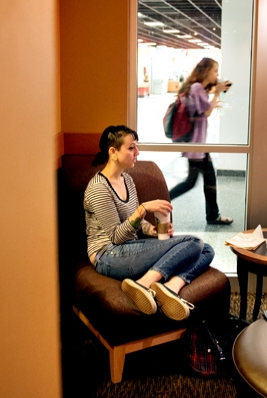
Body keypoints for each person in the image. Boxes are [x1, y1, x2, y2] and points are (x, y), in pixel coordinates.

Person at [84, 125, 215, 320]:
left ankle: (171, 286)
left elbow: (137, 225)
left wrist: (153, 230)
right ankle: (144, 283)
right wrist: (142, 209)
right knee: (194, 243)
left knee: (207, 249)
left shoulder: (127, 180)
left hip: (130, 247)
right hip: (107, 255)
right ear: (113, 152)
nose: (137, 152)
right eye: (131, 148)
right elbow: (116, 237)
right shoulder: (98, 188)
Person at [168, 58, 233, 225]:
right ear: (206, 72)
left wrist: (213, 94)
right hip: (196, 146)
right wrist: (217, 93)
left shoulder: (198, 88)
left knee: (207, 179)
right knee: (192, 182)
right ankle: (161, 199)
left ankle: (213, 215)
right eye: (215, 71)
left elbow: (201, 110)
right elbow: (207, 112)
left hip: (198, 146)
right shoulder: (197, 88)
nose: (217, 74)